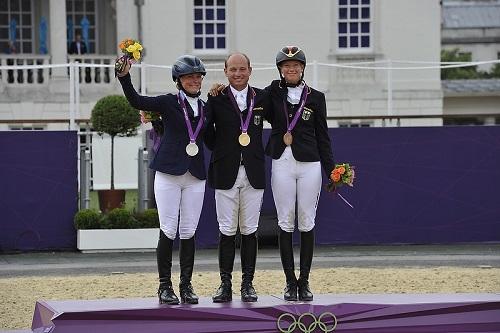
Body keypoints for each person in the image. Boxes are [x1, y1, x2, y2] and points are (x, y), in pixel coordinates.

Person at [116, 55, 208, 305]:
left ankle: (186, 285)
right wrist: (124, 77)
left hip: (196, 175)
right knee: (168, 229)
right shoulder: (168, 103)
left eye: (198, 76)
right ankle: (165, 286)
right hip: (168, 173)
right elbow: (137, 100)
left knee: (189, 231)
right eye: (189, 76)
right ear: (178, 80)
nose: (194, 80)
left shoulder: (206, 107)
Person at [267, 46, 335, 302]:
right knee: (285, 221)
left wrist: (332, 170)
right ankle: (289, 282)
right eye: (286, 66)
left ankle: (304, 281)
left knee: (306, 220)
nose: (291, 69)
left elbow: (323, 136)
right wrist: (220, 90)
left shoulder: (316, 97)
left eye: (295, 65)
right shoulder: (273, 92)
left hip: (310, 164)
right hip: (282, 161)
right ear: (281, 70)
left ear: (303, 68)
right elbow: (249, 101)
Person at [204, 53, 272, 303]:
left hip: (253, 171)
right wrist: (223, 151)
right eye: (233, 69)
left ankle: (248, 284)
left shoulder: (261, 97)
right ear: (225, 71)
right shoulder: (215, 98)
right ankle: (225, 284)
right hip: (225, 171)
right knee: (226, 231)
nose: (238, 73)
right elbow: (207, 133)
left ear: (250, 70)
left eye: (242, 69)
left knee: (249, 231)